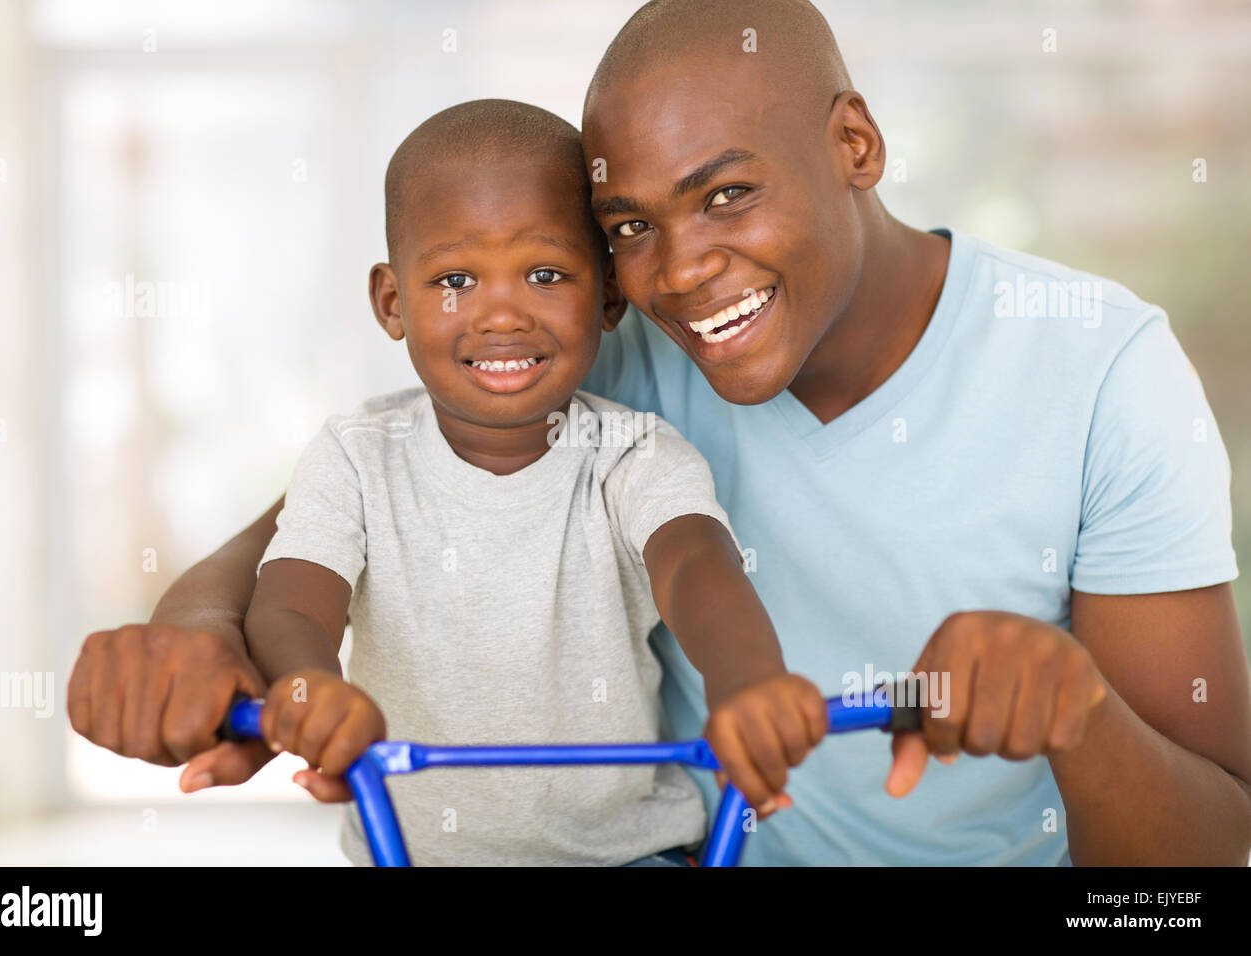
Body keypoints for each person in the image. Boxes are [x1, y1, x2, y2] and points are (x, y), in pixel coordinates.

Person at [69, 0, 1251, 865]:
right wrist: (189, 629)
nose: (682, 272)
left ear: (856, 145)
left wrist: (1078, 705)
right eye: (627, 224)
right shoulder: (616, 350)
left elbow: (1210, 851)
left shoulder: (1101, 367)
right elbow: (331, 508)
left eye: (726, 193)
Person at [78, 98, 828, 867]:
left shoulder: (636, 454)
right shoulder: (356, 455)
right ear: (392, 302)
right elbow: (293, 601)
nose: (501, 314)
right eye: (456, 279)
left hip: (629, 856)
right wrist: (308, 687)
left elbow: (698, 568)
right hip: (403, 852)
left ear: (607, 296)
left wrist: (749, 683)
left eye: (544, 274)